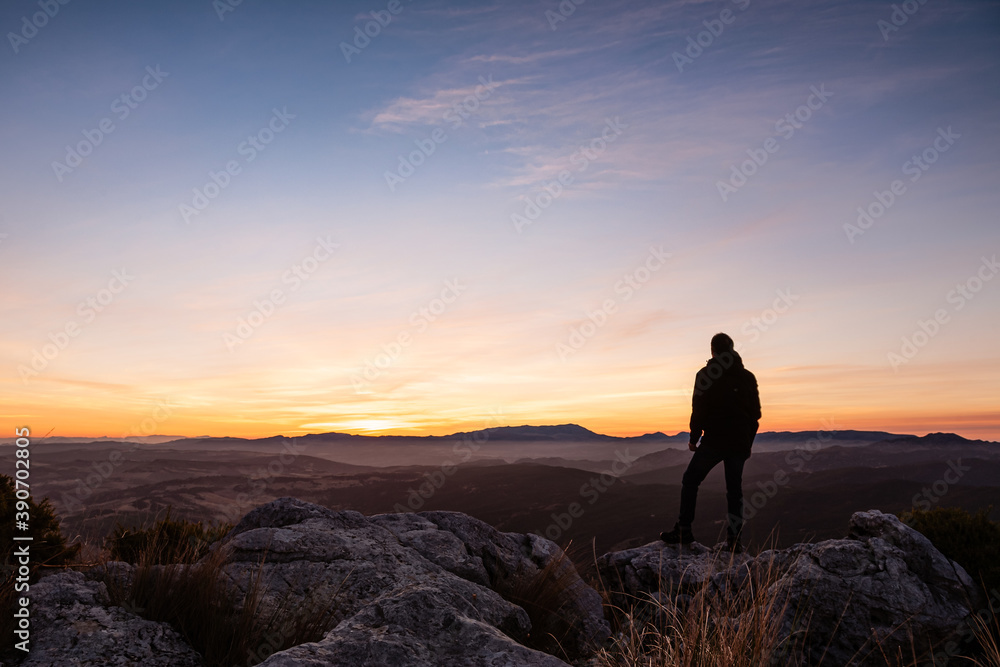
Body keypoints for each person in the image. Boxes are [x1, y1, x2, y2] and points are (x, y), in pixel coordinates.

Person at [660, 333, 761, 552]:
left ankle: (684, 530)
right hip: (740, 441)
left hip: (715, 440)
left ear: (712, 351)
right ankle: (734, 542)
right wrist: (748, 443)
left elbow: (699, 409)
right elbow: (755, 415)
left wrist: (693, 439)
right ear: (732, 349)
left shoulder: (705, 374)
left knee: (690, 480)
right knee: (735, 491)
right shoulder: (747, 377)